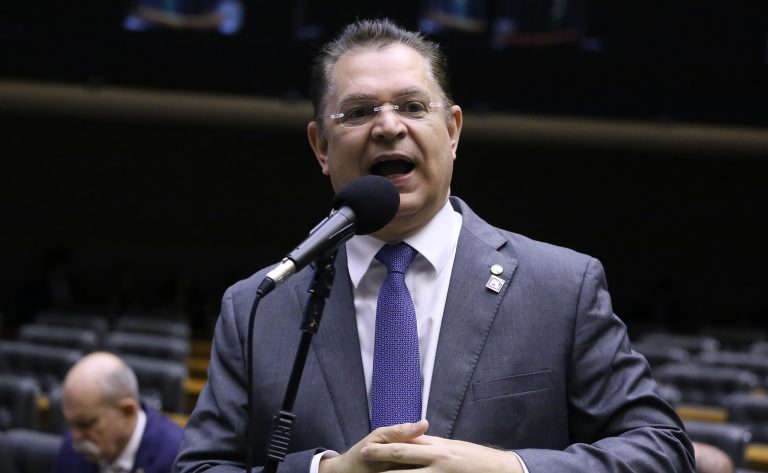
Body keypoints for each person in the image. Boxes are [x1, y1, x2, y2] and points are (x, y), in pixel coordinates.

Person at [175, 18, 695, 473]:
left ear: (452, 130)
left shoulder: (560, 287)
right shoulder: (258, 306)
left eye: (412, 106)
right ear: (321, 147)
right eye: (358, 112)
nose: (388, 126)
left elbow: (662, 452)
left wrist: (510, 468)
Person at [54, 351, 183, 473]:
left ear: (128, 411)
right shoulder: (72, 448)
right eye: (71, 423)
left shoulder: (176, 459)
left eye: (86, 424)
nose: (75, 436)